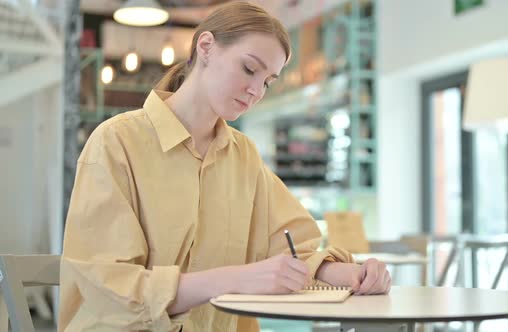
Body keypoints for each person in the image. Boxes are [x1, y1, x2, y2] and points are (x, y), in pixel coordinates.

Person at [58, 2, 391, 331]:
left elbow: (290, 246)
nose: (255, 91)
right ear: (206, 47)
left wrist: (346, 274)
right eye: (249, 69)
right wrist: (235, 279)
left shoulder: (242, 155)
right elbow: (108, 285)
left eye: (267, 82)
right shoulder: (116, 143)